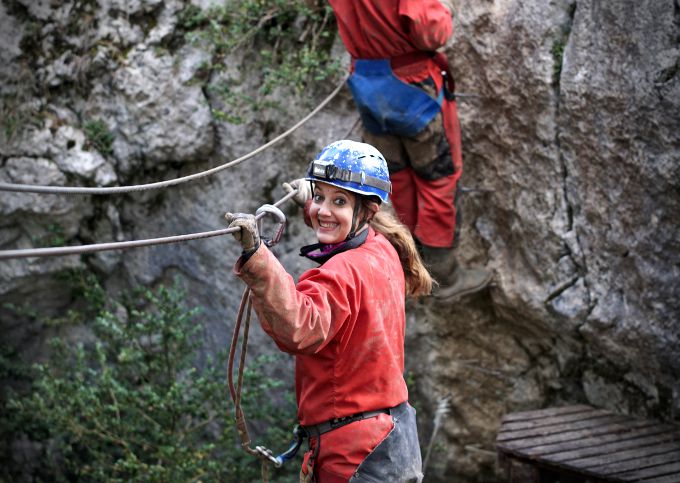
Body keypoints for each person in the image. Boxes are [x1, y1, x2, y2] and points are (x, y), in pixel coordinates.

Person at [224, 140, 430, 482]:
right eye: (320, 197)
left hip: (353, 453)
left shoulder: (343, 272)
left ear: (367, 211)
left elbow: (298, 326)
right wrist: (313, 201)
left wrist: (257, 256)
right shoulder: (382, 249)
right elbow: (338, 220)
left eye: (339, 201)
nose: (323, 209)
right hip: (392, 437)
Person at [318, 0, 492, 301]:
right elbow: (432, 31)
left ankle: (410, 258)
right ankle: (444, 273)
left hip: (368, 85)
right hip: (412, 84)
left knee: (395, 176)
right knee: (437, 177)